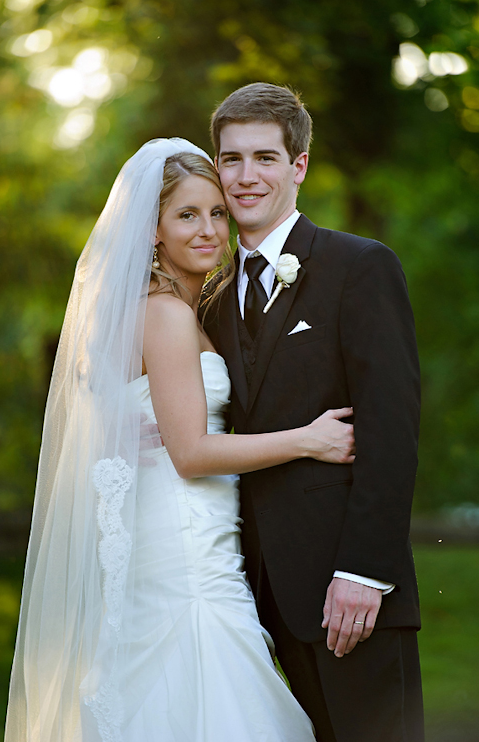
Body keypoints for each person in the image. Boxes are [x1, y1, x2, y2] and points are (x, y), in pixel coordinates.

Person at [4, 138, 357, 742]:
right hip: (186, 547)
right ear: (153, 231)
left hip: (182, 531)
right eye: (186, 215)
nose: (209, 229)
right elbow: (191, 453)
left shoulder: (181, 310)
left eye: (217, 213)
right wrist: (308, 439)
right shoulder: (165, 315)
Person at [201, 83, 424, 742]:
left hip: (350, 594)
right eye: (231, 159)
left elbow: (392, 427)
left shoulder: (360, 266)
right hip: (257, 602)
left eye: (265, 157)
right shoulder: (210, 302)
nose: (245, 177)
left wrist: (364, 570)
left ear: (298, 165)